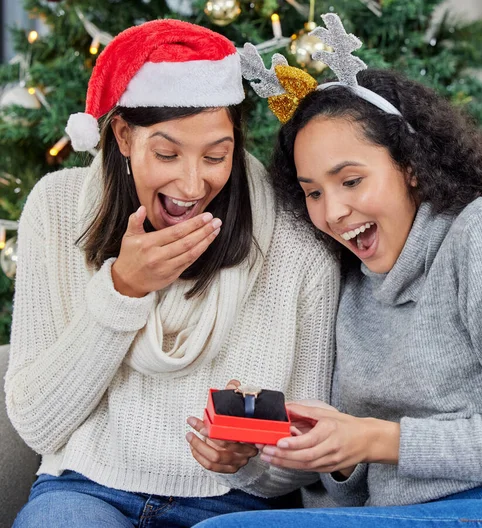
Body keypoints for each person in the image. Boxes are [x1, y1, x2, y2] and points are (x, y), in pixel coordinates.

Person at [194, 13, 482, 528]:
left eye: (351, 180)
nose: (332, 211)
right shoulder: (352, 278)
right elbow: (353, 477)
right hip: (401, 512)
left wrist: (377, 438)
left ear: (410, 164)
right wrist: (252, 460)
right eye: (313, 192)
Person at [5, 19, 340, 527]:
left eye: (216, 156)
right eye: (166, 153)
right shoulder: (56, 209)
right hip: (88, 492)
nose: (191, 182)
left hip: (237, 507)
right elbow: (37, 424)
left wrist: (246, 465)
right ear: (122, 136)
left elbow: (307, 445)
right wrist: (123, 290)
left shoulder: (297, 241)